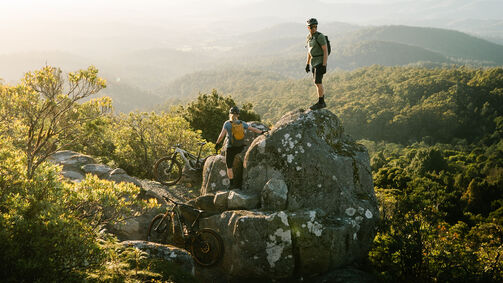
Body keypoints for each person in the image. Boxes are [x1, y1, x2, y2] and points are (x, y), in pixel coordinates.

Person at [214, 106, 265, 189]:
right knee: (244, 162)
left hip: (230, 148)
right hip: (240, 147)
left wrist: (217, 144)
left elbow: (221, 136)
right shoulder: (242, 123)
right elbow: (254, 129)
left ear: (230, 114)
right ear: (238, 114)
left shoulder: (227, 123)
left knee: (229, 166)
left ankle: (232, 185)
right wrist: (263, 132)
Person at [305, 18, 328, 110]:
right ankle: (321, 101)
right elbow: (309, 52)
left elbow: (325, 51)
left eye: (315, 26)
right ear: (308, 27)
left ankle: (321, 102)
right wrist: (307, 64)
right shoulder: (309, 37)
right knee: (316, 83)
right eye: (312, 27)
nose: (314, 28)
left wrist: (324, 65)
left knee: (318, 82)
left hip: (320, 61)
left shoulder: (320, 36)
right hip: (313, 62)